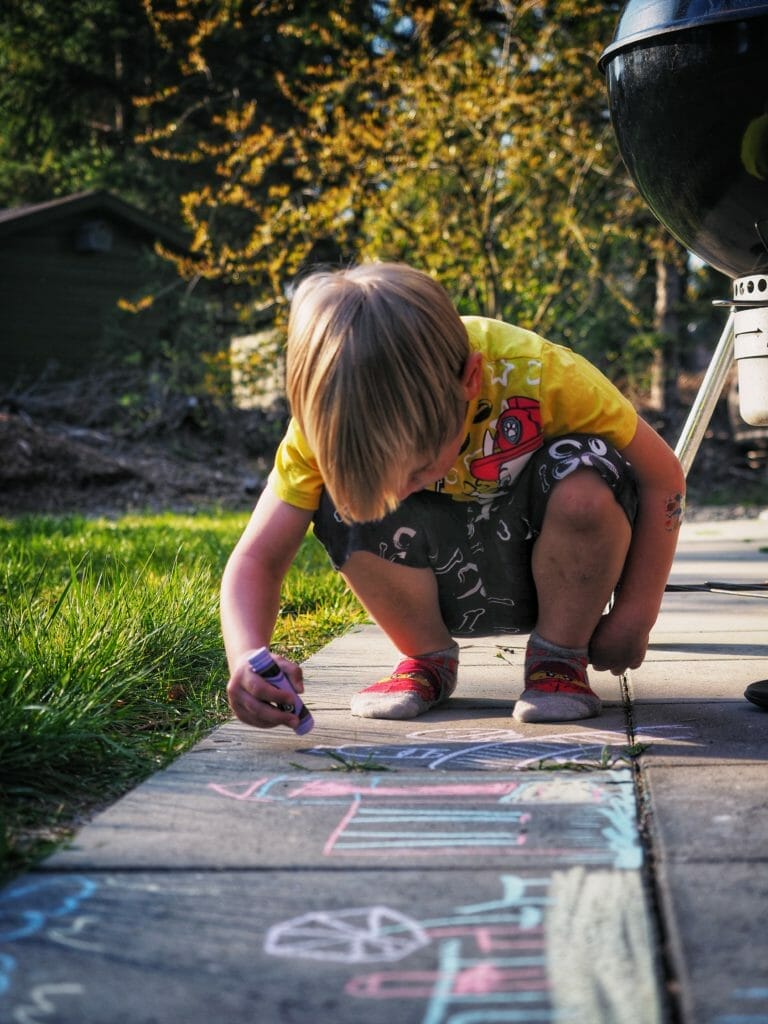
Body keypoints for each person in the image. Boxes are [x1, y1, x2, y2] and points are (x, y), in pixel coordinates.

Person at [221, 262, 685, 728]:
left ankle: (558, 659)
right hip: (434, 589)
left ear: (471, 380)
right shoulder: (325, 423)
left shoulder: (543, 374)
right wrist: (246, 657)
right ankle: (425, 657)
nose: (398, 493)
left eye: (419, 468)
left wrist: (635, 614)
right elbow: (258, 558)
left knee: (588, 470)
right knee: (334, 498)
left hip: (547, 576)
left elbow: (663, 477)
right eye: (380, 482)